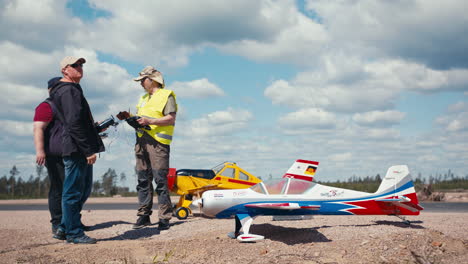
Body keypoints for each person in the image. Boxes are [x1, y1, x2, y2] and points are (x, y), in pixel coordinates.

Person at [49, 56, 105, 244]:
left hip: (74, 146)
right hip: (75, 148)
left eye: (81, 65)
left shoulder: (69, 90)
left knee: (76, 190)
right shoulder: (69, 91)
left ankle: (64, 228)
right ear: (65, 70)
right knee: (73, 192)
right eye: (75, 65)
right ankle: (74, 233)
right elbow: (73, 123)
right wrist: (88, 149)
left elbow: (76, 121)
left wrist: (93, 128)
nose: (80, 68)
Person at [131, 66, 177, 230]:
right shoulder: (143, 98)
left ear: (152, 79)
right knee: (143, 179)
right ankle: (144, 215)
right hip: (141, 140)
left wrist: (149, 121)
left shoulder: (166, 95)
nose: (141, 83)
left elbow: (171, 119)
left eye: (143, 80)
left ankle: (164, 217)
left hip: (158, 143)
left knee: (160, 180)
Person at [33, 77, 64, 235]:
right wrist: (40, 151)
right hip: (53, 153)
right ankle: (57, 223)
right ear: (52, 89)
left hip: (68, 152)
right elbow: (38, 129)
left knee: (72, 189)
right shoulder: (46, 106)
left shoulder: (65, 106)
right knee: (58, 188)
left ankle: (70, 221)